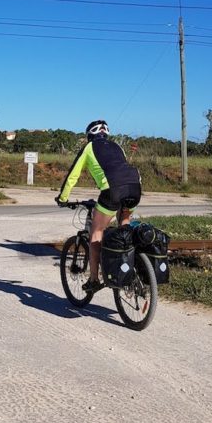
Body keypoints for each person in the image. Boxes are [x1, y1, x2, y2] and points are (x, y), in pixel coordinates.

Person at [55, 120, 141, 293]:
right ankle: (129, 268)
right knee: (124, 226)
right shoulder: (117, 147)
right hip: (135, 187)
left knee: (96, 232)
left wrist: (62, 198)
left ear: (89, 135)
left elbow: (73, 175)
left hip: (113, 190)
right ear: (105, 134)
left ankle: (94, 279)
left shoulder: (89, 148)